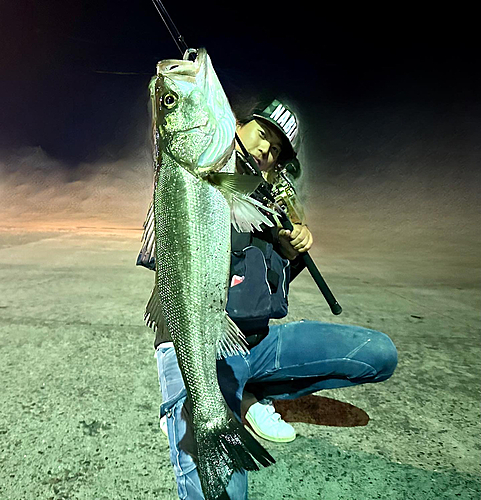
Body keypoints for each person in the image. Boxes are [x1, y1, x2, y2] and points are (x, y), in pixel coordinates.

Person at [142, 99, 398, 499]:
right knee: (222, 491)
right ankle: (185, 404)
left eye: (276, 149)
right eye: (262, 134)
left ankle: (247, 396)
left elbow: (267, 290)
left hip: (256, 343)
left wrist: (289, 250)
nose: (266, 150)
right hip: (193, 344)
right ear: (236, 125)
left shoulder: (268, 207)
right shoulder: (200, 180)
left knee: (379, 354)